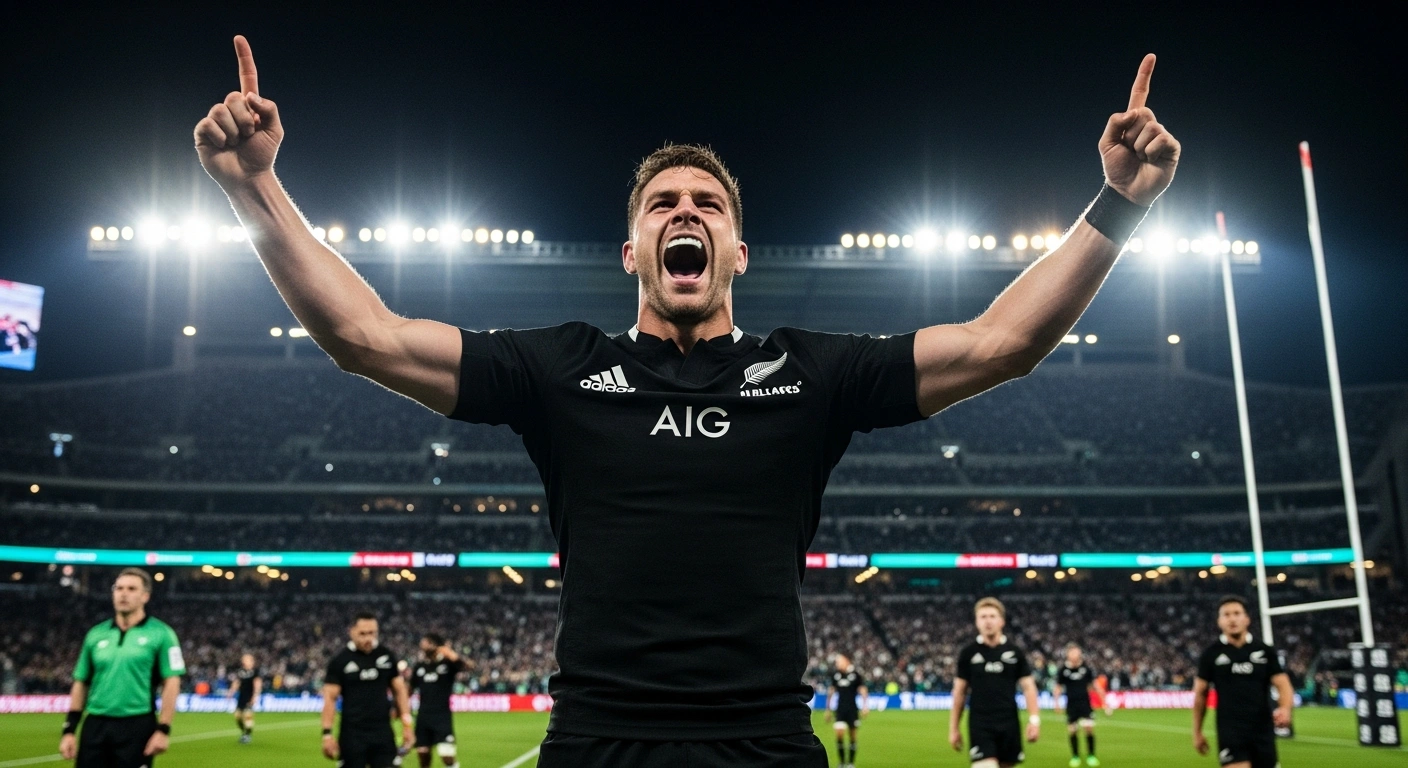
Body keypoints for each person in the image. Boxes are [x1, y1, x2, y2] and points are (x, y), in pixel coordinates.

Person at [194, 35, 1177, 767]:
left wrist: (1118, 204)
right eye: (662, 203)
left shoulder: (809, 372)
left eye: (706, 204)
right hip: (595, 739)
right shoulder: (562, 369)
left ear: (735, 253)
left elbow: (1002, 345)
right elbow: (364, 337)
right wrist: (256, 191)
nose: (685, 213)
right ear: (633, 253)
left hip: (764, 741)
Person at [58, 568, 185, 768]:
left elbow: (172, 681)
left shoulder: (162, 634)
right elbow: (81, 681)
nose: (123, 593)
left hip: (137, 725)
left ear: (145, 596)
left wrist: (163, 729)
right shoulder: (95, 634)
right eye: (119, 588)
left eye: (131, 589)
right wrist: (69, 730)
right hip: (95, 725)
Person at [1192, 596, 1294, 768]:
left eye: (1237, 613)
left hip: (1262, 730)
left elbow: (1283, 684)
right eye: (1226, 615)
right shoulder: (1211, 654)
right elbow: (1200, 694)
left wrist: (1285, 708)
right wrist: (1197, 732)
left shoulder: (1264, 651)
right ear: (1219, 621)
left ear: (1247, 619)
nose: (1232, 619)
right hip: (1230, 730)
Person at [949, 598, 1041, 768]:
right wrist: (954, 728)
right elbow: (959, 692)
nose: (988, 621)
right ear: (977, 622)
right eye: (983, 617)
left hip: (1009, 724)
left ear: (1002, 621)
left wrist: (1034, 721)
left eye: (992, 616)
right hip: (980, 724)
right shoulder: (968, 653)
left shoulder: (1014, 652)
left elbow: (1029, 688)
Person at [321, 612, 415, 767]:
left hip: (382, 732)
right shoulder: (340, 661)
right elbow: (330, 698)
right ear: (351, 632)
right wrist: (327, 734)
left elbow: (400, 690)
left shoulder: (386, 656)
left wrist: (407, 725)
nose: (368, 638)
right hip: (352, 734)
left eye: (372, 633)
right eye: (363, 634)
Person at [409, 633, 470, 768]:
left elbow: (468, 667)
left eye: (426, 643)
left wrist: (451, 654)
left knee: (446, 755)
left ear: (435, 645)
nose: (422, 645)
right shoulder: (419, 666)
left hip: (442, 717)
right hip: (423, 716)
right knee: (423, 754)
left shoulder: (447, 664)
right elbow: (410, 689)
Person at [1053, 643, 1098, 767]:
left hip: (1085, 703)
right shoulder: (1063, 670)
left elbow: (1094, 685)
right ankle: (1075, 756)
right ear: (1068, 654)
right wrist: (1056, 702)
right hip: (1071, 704)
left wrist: (1104, 701)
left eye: (1076, 652)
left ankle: (1091, 755)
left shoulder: (1086, 669)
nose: (1074, 655)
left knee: (1089, 729)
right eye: (1072, 652)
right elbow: (1058, 687)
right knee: (1072, 730)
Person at [823, 654, 868, 768]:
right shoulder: (836, 675)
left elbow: (862, 689)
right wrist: (827, 710)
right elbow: (831, 692)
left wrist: (865, 706)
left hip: (852, 709)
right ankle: (842, 763)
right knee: (839, 734)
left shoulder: (855, 674)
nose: (837, 664)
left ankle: (851, 763)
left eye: (839, 661)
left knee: (852, 735)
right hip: (840, 709)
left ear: (846, 661)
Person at [229, 652, 262, 744]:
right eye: (244, 659)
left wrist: (255, 696)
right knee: (237, 716)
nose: (244, 661)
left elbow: (257, 684)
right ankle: (244, 732)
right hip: (241, 696)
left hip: (249, 696)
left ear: (251, 661)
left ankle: (247, 735)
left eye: (246, 659)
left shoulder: (255, 672)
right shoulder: (240, 671)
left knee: (248, 716)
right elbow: (236, 682)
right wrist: (231, 691)